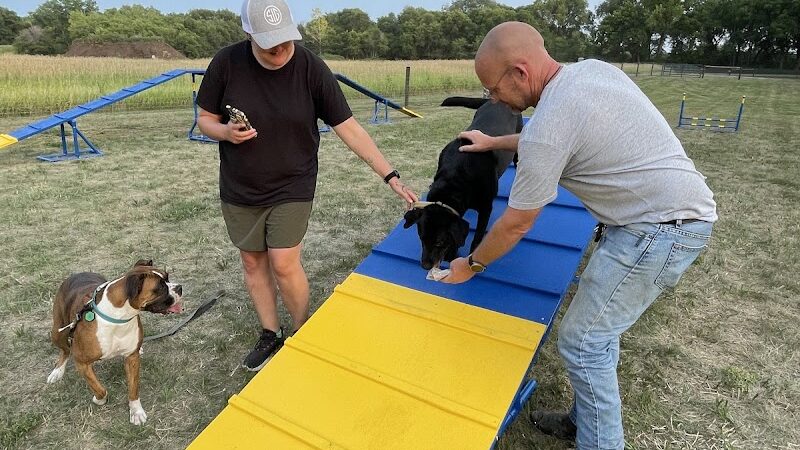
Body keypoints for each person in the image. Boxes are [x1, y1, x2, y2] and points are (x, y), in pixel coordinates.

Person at [441, 22, 717, 450]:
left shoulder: (551, 122)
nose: (492, 99)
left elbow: (517, 222)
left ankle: (601, 442)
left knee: (585, 343)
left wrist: (470, 264)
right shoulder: (590, 71)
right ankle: (583, 422)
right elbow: (548, 134)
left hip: (659, 230)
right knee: (597, 334)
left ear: (519, 71)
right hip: (666, 219)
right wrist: (494, 139)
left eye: (492, 89)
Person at [196, 0, 417, 372]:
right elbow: (205, 118)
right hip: (241, 184)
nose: (281, 50)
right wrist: (225, 132)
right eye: (270, 44)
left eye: (285, 41)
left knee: (283, 262)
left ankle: (302, 331)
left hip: (293, 182)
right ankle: (270, 332)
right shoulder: (226, 63)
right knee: (252, 261)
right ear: (249, 35)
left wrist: (389, 174)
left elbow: (349, 126)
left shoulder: (310, 67)